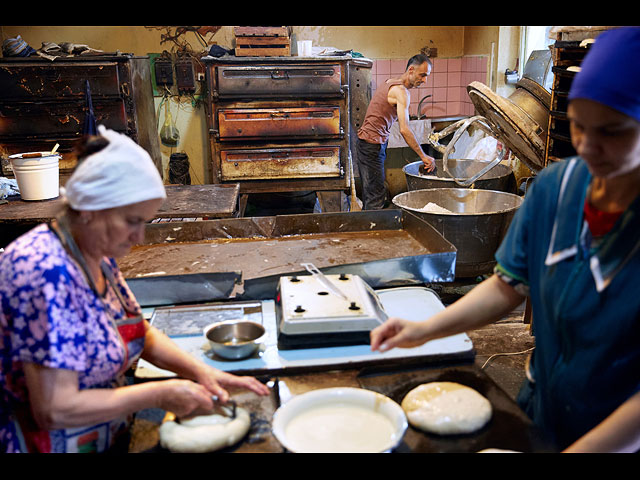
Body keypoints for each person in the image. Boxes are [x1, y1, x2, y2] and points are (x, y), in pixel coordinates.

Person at [370, 27, 640, 453]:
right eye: (579, 126)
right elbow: (507, 287)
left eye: (612, 132)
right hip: (540, 408)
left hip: (616, 437)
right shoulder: (554, 190)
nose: (588, 146)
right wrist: (425, 329)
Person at [0, 126, 269, 453]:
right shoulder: (44, 273)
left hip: (106, 434)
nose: (140, 237)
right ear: (90, 208)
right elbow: (55, 409)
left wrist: (202, 372)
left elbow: (133, 329)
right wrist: (159, 394)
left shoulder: (92, 249)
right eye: (132, 221)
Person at [356, 54, 436, 210]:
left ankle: (371, 227)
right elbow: (404, 129)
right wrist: (423, 156)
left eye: (427, 76)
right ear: (411, 70)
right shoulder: (401, 92)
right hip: (371, 146)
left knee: (374, 193)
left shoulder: (391, 82)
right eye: (423, 75)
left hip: (370, 144)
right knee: (375, 197)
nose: (425, 80)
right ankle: (372, 231)